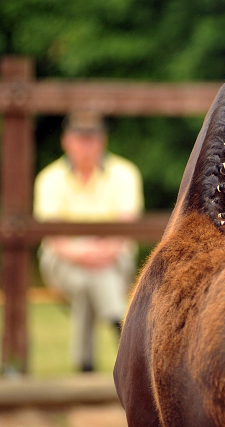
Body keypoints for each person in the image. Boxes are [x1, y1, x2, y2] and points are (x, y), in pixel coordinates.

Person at [34, 110, 144, 372]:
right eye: (80, 138)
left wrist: (97, 251)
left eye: (91, 138)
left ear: (102, 141)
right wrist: (86, 252)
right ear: (66, 141)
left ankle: (85, 366)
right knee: (92, 278)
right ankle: (121, 325)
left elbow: (123, 230)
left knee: (86, 284)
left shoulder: (125, 173)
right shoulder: (49, 179)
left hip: (111, 258)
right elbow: (56, 240)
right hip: (64, 261)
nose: (86, 145)